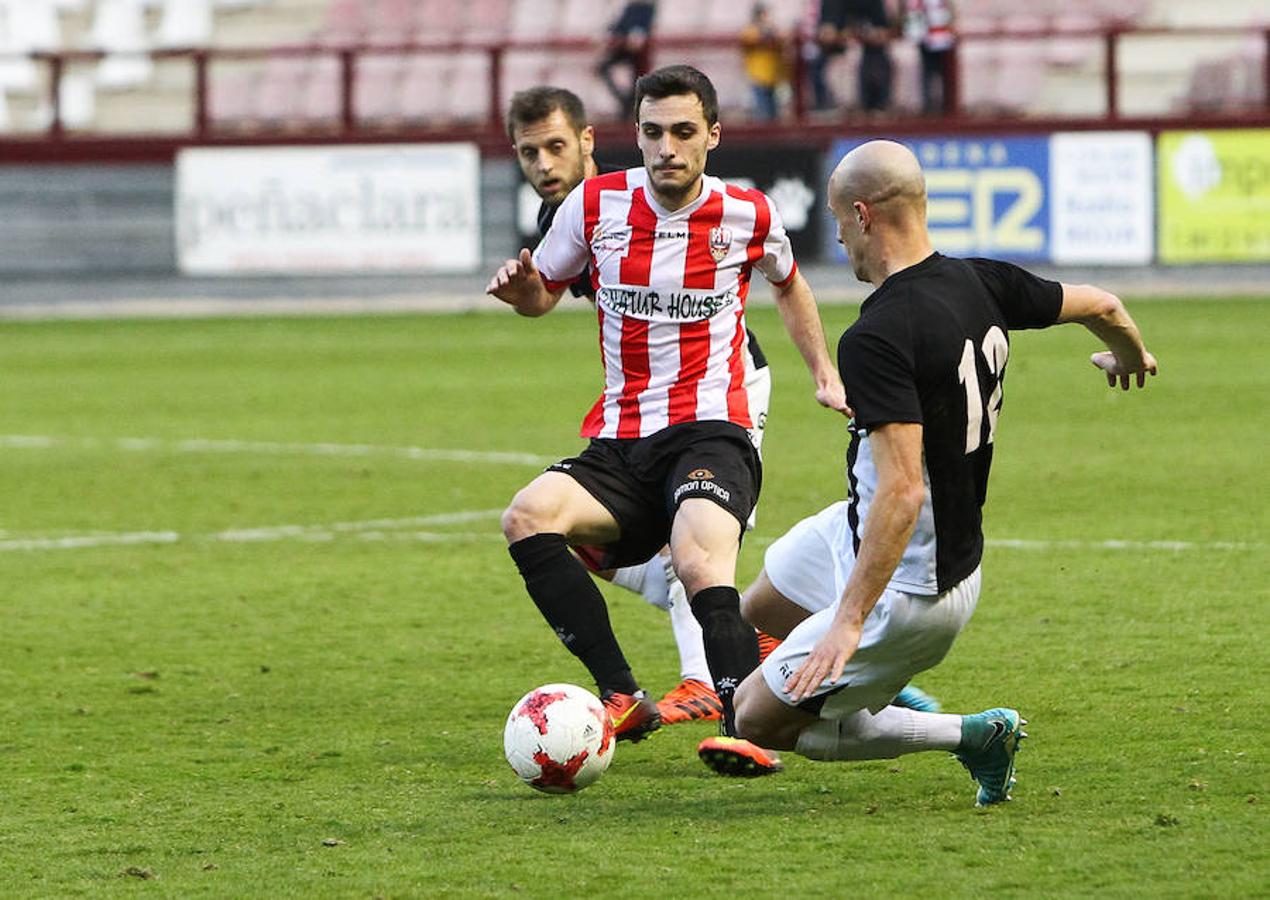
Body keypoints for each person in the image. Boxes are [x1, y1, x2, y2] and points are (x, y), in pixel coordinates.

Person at [698, 141, 1158, 804]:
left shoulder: (878, 334)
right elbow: (1104, 305)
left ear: (862, 215)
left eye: (836, 218)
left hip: (912, 585)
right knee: (751, 617)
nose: (834, 234)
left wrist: (849, 620)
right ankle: (872, 683)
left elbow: (905, 489)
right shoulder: (981, 280)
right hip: (867, 531)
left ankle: (972, 735)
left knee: (757, 720)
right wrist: (1130, 356)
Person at [488, 65, 849, 773]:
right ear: (636, 136)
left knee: (696, 558)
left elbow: (790, 284)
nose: (667, 148)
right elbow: (544, 295)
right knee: (527, 518)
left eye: (684, 132)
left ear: (713, 135)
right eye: (652, 132)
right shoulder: (593, 206)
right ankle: (621, 692)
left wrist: (825, 374)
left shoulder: (749, 214)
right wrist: (524, 290)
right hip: (622, 438)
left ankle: (742, 717)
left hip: (714, 427)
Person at [505, 84, 779, 726]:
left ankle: (709, 678)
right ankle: (748, 636)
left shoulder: (628, 194)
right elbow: (549, 297)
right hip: (644, 403)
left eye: (555, 147)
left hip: (726, 383)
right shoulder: (565, 218)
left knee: (694, 535)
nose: (544, 165)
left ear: (590, 142)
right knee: (594, 543)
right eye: (528, 153)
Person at [596, 1, 657, 120]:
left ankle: (628, 109)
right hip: (625, 48)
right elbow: (619, 25)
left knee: (637, 80)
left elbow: (644, 28)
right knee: (603, 69)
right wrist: (609, 35)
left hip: (640, 51)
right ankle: (626, 105)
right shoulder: (631, 7)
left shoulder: (648, 8)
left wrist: (637, 36)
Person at [903, 0, 956, 115]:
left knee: (943, 72)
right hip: (926, 37)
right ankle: (929, 105)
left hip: (940, 37)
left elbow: (946, 10)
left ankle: (945, 104)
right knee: (928, 72)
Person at [739, 3, 787, 121]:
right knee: (762, 111)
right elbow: (749, 39)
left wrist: (771, 31)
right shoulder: (750, 30)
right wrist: (766, 31)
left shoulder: (775, 30)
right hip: (758, 76)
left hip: (773, 76)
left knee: (774, 112)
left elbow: (783, 39)